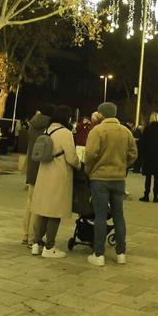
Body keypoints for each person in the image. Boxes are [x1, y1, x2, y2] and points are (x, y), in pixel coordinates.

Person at [83, 102, 137, 266]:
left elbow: (90, 154)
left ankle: (99, 254)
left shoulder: (97, 131)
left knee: (100, 216)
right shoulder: (126, 132)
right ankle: (121, 252)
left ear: (101, 114)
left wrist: (89, 170)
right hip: (119, 178)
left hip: (100, 178)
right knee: (118, 215)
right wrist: (123, 165)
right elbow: (133, 154)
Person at [30, 105, 80, 258]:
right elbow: (71, 157)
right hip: (58, 175)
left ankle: (37, 243)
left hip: (44, 174)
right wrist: (79, 164)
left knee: (44, 211)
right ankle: (49, 246)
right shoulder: (65, 133)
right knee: (55, 212)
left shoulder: (47, 130)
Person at [22, 109, 52, 246]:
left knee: (29, 203)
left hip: (31, 168)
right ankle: (33, 238)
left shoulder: (32, 126)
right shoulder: (48, 128)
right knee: (37, 205)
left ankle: (25, 234)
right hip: (42, 169)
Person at [138, 113, 158, 202]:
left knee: (148, 177)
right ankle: (155, 196)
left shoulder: (147, 128)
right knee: (156, 177)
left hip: (148, 156)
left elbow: (142, 142)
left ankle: (146, 195)